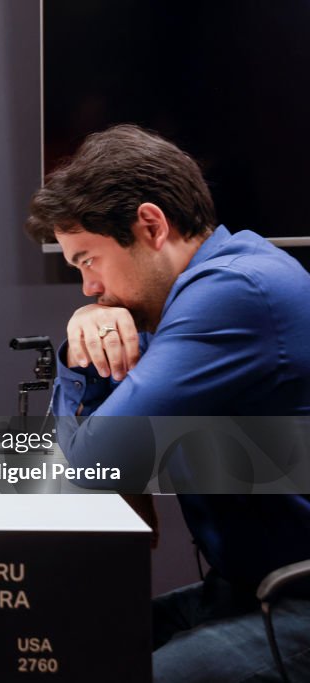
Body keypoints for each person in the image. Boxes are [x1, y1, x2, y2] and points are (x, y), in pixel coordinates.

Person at [25, 124, 310, 682]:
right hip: (243, 589)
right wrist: (85, 344)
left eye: (88, 260)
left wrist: (84, 345)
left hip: (296, 595)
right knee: (58, 650)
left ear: (151, 225)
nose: (88, 288)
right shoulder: (176, 308)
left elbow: (94, 459)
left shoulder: (235, 291)